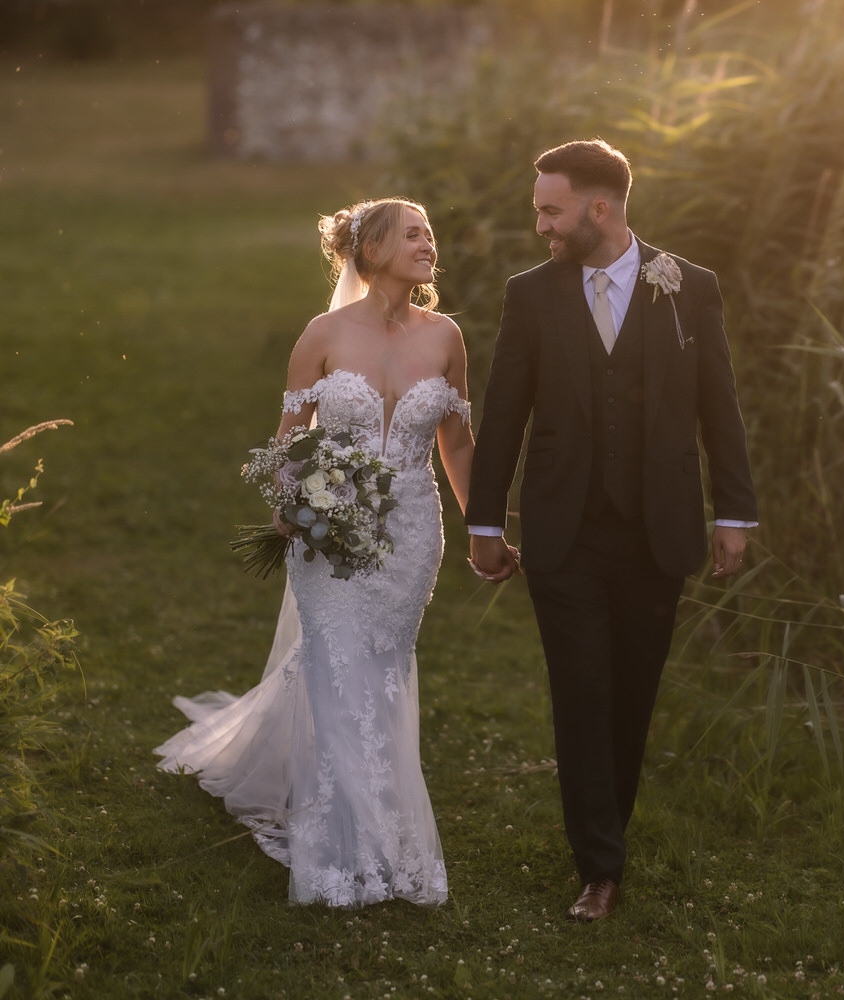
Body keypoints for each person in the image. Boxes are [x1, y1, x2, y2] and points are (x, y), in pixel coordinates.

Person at [155, 197, 497, 908]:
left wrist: (485, 528)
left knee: (381, 668)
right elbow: (289, 437)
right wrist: (295, 505)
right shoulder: (322, 334)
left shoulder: (447, 338)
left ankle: (369, 830)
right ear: (369, 250)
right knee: (340, 671)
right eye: (412, 234)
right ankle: (349, 848)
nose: (428, 243)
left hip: (410, 532)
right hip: (331, 533)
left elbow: (456, 442)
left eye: (429, 234)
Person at [467, 139, 757, 922]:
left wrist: (734, 510)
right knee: (583, 690)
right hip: (564, 534)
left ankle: (609, 838)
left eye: (551, 210)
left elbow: (718, 405)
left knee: (632, 693)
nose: (541, 227)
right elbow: (503, 414)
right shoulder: (532, 295)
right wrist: (485, 520)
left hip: (657, 530)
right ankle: (599, 866)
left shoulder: (688, 286)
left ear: (601, 207)